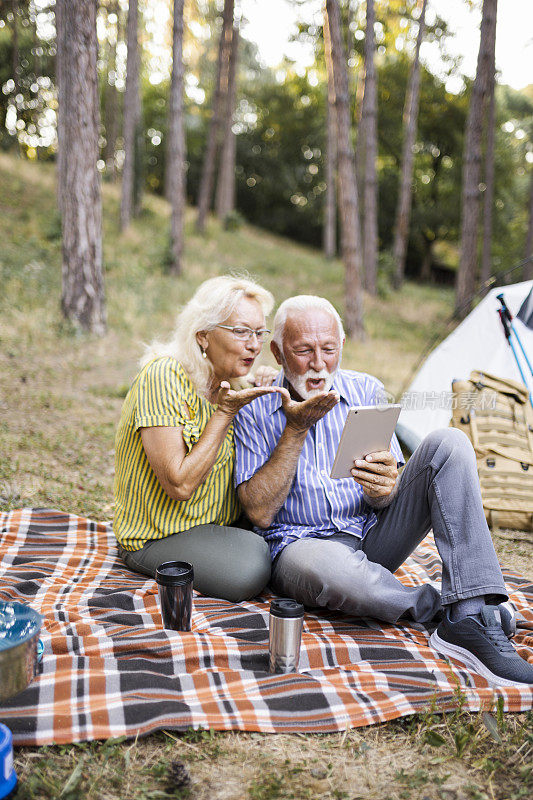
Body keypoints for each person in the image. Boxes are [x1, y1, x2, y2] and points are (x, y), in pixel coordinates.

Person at [233, 295, 533, 687]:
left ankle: (472, 608)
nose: (319, 363)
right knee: (336, 571)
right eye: (304, 350)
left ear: (343, 345)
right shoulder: (255, 406)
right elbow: (258, 513)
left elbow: (385, 495)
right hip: (300, 547)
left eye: (329, 349)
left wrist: (384, 488)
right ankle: (451, 610)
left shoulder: (366, 389)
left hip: (371, 536)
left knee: (450, 443)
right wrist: (296, 428)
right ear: (277, 351)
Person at [113, 275, 283, 603]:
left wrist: (275, 390)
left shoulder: (234, 382)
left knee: (286, 542)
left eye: (259, 332)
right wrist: (223, 414)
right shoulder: (164, 377)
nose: (255, 344)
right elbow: (179, 485)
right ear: (203, 336)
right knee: (249, 568)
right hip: (157, 536)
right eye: (241, 331)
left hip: (216, 526)